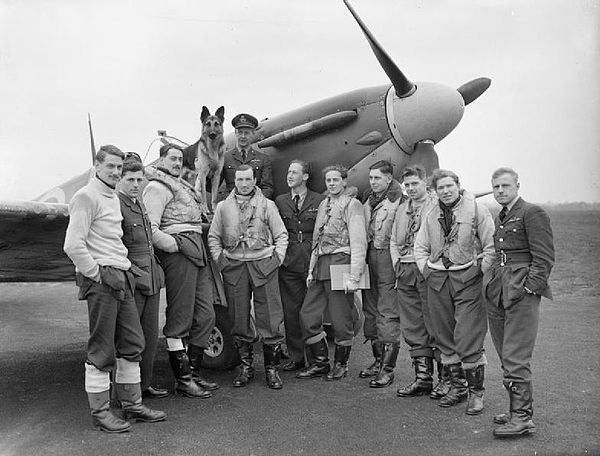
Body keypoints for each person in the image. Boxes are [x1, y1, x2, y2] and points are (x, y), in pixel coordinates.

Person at [64, 145, 166, 433]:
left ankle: (132, 404)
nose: (115, 172)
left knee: (133, 342)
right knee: (101, 349)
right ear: (97, 166)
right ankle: (100, 413)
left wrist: (123, 271)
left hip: (120, 276)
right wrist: (97, 274)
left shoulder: (110, 196)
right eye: (110, 166)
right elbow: (72, 245)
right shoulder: (86, 196)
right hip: (103, 279)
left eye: (119, 167)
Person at [414, 169, 494, 415]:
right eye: (440, 188)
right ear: (435, 191)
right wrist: (427, 270)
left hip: (467, 278)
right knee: (444, 335)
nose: (446, 191)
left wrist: (478, 270)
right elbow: (420, 247)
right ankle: (457, 387)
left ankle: (476, 394)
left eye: (450, 186)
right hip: (438, 279)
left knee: (468, 335)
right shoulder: (429, 213)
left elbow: (491, 246)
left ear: (458, 186)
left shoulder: (477, 211)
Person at [484, 167, 554, 438]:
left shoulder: (532, 212)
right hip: (500, 288)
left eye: (505, 186)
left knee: (516, 356)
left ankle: (522, 418)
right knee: (504, 353)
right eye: (496, 187)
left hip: (520, 290)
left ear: (517, 186)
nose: (500, 191)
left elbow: (544, 257)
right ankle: (517, 409)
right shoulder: (502, 215)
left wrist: (529, 288)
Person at [143, 144, 217, 399]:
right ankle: (183, 380)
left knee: (206, 314)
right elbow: (149, 228)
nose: (176, 162)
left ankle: (193, 372)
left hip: (197, 249)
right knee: (180, 317)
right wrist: (173, 245)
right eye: (171, 158)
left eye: (178, 158)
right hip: (179, 251)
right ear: (161, 160)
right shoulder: (156, 187)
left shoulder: (183, 186)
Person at [207, 164, 288, 389]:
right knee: (238, 315)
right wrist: (221, 261)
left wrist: (276, 260)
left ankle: (271, 369)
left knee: (270, 315)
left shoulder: (267, 205)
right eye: (240, 180)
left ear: (254, 181)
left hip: (263, 264)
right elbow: (213, 237)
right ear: (235, 181)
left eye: (248, 180)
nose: (244, 184)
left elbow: (282, 235)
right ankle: (245, 367)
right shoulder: (223, 208)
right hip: (235, 266)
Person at [297, 165, 367, 381]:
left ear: (344, 182)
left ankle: (341, 365)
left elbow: (358, 241)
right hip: (321, 265)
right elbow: (317, 240)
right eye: (328, 180)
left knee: (340, 319)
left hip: (341, 262)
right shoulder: (323, 204)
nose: (332, 184)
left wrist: (355, 276)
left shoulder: (352, 205)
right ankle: (320, 363)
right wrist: (310, 269)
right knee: (307, 315)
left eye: (336, 180)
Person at [390, 165, 447, 399]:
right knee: (413, 325)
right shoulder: (402, 208)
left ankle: (447, 379)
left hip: (428, 270)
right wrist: (397, 265)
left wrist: (429, 268)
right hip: (405, 270)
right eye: (407, 185)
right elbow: (394, 239)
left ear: (425, 183)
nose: (411, 189)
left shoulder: (436, 206)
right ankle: (423, 378)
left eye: (415, 183)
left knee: (436, 323)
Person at [117, 155, 168, 399]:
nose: (136, 184)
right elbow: (115, 246)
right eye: (130, 179)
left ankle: (144, 384)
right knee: (129, 340)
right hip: (133, 281)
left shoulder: (139, 204)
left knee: (149, 336)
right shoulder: (117, 206)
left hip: (151, 280)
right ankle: (126, 394)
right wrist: (131, 272)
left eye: (139, 179)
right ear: (120, 180)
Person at [275, 160, 326, 371]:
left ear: (305, 177)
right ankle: (296, 358)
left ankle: (316, 360)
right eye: (288, 172)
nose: (289, 176)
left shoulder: (319, 199)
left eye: (294, 172)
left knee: (311, 314)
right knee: (291, 312)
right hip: (289, 264)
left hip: (311, 263)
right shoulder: (280, 200)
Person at [359, 160, 405, 388]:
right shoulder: (368, 199)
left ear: (389, 179)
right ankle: (377, 361)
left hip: (388, 257)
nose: (373, 182)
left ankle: (388, 370)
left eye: (378, 178)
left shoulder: (400, 201)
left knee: (387, 312)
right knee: (370, 309)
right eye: (371, 178)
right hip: (369, 256)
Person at [222, 113, 274, 199]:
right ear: (235, 132)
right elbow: (213, 185)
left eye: (246, 133)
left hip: (255, 206)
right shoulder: (225, 158)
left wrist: (254, 203)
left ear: (253, 133)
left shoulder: (263, 159)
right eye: (240, 132)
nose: (243, 136)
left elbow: (268, 188)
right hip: (232, 205)